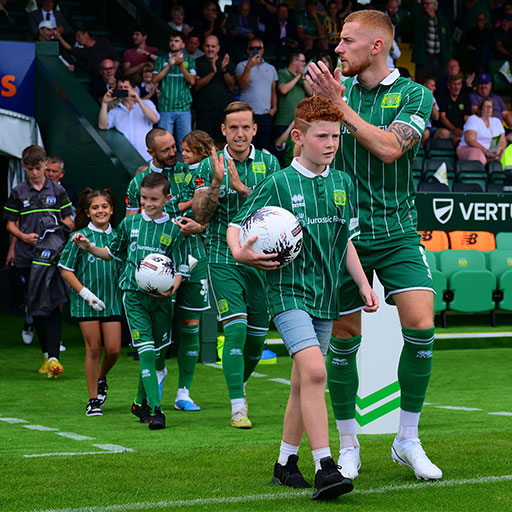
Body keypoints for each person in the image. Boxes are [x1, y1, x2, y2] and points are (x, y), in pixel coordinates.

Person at [307, 9, 442, 481]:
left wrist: (338, 107)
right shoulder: (328, 100)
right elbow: (305, 157)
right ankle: (349, 445)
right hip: (345, 238)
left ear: (377, 46)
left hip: (399, 230)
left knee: (421, 324)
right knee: (345, 339)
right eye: (338, 41)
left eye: (346, 41)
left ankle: (407, 439)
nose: (338, 49)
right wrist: (316, 116)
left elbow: (390, 148)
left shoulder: (413, 95)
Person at [227, 96, 378, 500]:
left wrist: (363, 283)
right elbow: (235, 224)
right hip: (287, 292)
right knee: (314, 373)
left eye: (336, 136)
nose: (331, 143)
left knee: (301, 381)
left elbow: (345, 241)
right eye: (322, 136)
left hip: (327, 295)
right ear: (298, 136)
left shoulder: (343, 182)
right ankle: (326, 467)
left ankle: (284, 463)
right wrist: (241, 252)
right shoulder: (278, 182)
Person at [72, 172, 188, 430]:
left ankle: (138, 402)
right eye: (144, 198)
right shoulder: (129, 225)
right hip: (133, 295)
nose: (148, 203)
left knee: (159, 356)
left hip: (163, 299)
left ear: (167, 198)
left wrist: (174, 286)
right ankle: (157, 411)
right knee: (146, 351)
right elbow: (110, 253)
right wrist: (89, 247)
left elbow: (181, 265)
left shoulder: (176, 228)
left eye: (154, 199)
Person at [191, 101, 280, 428]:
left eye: (246, 127)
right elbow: (201, 215)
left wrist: (241, 189)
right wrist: (216, 184)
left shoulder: (270, 163)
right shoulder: (208, 165)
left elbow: (274, 210)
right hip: (221, 255)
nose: (240, 133)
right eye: (234, 128)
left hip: (260, 258)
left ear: (254, 130)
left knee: (257, 341)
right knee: (237, 328)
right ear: (224, 131)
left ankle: (237, 383)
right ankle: (237, 406)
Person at [125, 128, 208, 411]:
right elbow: (132, 225)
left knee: (190, 326)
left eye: (175, 147)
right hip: (154, 269)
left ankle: (183, 392)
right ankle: (157, 375)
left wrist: (201, 224)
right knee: (157, 333)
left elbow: (204, 206)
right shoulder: (138, 181)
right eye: (167, 150)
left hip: (192, 256)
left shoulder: (190, 171)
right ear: (151, 153)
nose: (174, 153)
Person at [3, 145, 74, 378]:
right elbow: (10, 223)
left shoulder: (58, 190)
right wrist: (23, 237)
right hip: (26, 258)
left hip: (51, 257)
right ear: (24, 167)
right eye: (30, 168)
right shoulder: (18, 191)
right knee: (36, 306)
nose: (34, 172)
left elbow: (68, 219)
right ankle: (47, 354)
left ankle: (53, 356)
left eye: (38, 168)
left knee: (53, 303)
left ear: (45, 165)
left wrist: (58, 231)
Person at [59, 189, 122, 416]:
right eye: (95, 207)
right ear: (87, 212)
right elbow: (65, 270)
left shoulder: (119, 236)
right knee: (94, 348)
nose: (100, 211)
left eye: (104, 206)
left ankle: (101, 377)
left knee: (114, 350)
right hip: (86, 302)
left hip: (112, 301)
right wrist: (86, 294)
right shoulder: (79, 236)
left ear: (112, 209)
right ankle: (93, 400)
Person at [153, 31, 197, 154]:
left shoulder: (189, 61)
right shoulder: (161, 60)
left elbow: (192, 81)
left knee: (186, 145)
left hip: (184, 109)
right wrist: (168, 66)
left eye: (176, 41)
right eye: (171, 40)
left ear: (183, 44)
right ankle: (165, 173)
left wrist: (181, 65)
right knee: (164, 145)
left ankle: (185, 171)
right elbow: (154, 79)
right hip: (165, 108)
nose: (173, 43)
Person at [98, 76, 160, 161]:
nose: (123, 90)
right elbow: (102, 126)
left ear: (133, 89)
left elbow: (154, 119)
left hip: (147, 156)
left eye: (126, 87)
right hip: (126, 157)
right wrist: (104, 103)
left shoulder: (147, 103)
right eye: (121, 88)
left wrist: (138, 100)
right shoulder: (115, 111)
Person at [193, 34, 236, 147]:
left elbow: (232, 87)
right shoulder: (197, 63)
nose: (210, 49)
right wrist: (212, 73)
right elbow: (196, 86)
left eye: (213, 46)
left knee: (223, 143)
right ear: (203, 47)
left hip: (223, 110)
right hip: (204, 111)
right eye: (207, 46)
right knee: (204, 144)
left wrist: (224, 70)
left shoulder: (225, 62)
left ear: (218, 48)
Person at [235, 38, 278, 150]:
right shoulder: (242, 66)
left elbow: (273, 90)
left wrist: (274, 108)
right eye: (252, 48)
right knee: (247, 144)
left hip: (265, 113)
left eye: (258, 48)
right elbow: (242, 85)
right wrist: (249, 66)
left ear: (262, 50)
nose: (255, 50)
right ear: (247, 51)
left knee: (263, 146)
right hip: (247, 113)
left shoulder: (271, 68)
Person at [275, 50, 313, 141]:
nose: (304, 64)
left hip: (300, 122)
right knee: (281, 150)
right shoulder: (282, 73)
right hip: (284, 121)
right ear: (294, 61)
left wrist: (303, 77)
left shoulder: (303, 77)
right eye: (303, 61)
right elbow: (283, 90)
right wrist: (298, 77)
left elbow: (310, 93)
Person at [55, 27, 120, 80]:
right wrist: (60, 38)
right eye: (76, 37)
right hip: (99, 81)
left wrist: (112, 74)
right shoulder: (82, 52)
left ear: (86, 34)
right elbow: (69, 48)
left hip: (115, 77)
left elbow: (116, 59)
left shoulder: (103, 42)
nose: (77, 39)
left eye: (79, 36)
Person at [457, 97, 507, 165]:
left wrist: (498, 149)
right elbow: (470, 140)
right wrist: (485, 151)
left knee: (506, 153)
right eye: (486, 106)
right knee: (478, 156)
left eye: (490, 107)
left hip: (492, 150)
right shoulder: (474, 119)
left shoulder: (496, 121)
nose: (488, 109)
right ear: (480, 109)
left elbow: (502, 141)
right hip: (472, 148)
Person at [411, 0, 452, 81]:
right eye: (423, 3)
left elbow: (448, 40)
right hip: (424, 59)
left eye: (427, 3)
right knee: (421, 83)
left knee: (441, 84)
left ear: (434, 5)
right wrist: (418, 2)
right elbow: (414, 11)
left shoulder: (442, 20)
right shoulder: (420, 18)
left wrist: (448, 57)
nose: (424, 6)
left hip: (439, 58)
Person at [469, 73, 512, 144]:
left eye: (486, 83)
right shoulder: (473, 96)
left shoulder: (497, 98)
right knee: (495, 145)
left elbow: (506, 114)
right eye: (481, 83)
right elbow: (475, 111)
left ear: (490, 85)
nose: (484, 86)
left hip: (499, 129)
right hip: (484, 129)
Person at [435, 74, 472, 146]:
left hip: (461, 131)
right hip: (447, 130)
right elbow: (442, 117)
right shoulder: (442, 97)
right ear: (448, 86)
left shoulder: (465, 98)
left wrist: (465, 130)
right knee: (444, 133)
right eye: (454, 84)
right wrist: (454, 130)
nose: (456, 87)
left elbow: (467, 117)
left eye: (459, 84)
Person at [418, 76, 440, 146]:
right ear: (424, 86)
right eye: (432, 86)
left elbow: (436, 117)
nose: (435, 88)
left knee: (445, 133)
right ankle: (423, 155)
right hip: (418, 126)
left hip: (430, 127)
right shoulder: (417, 97)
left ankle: (433, 154)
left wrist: (431, 100)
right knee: (426, 133)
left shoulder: (433, 98)